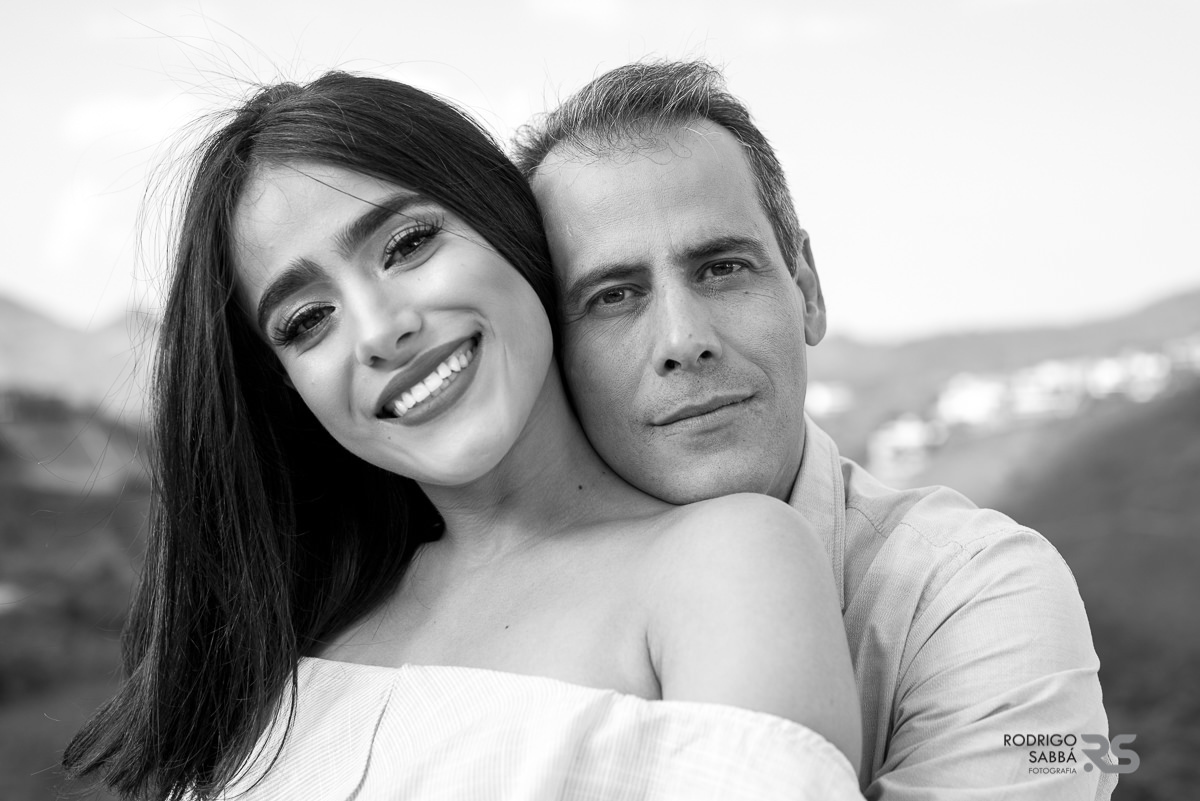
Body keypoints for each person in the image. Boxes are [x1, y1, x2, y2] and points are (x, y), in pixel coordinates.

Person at [63, 72, 864, 800]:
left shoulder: (726, 561)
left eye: (406, 245)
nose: (380, 330)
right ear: (288, 390)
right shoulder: (293, 635)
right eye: (307, 320)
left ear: (510, 229)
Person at [513, 60, 1115, 800]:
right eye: (613, 296)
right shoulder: (493, 606)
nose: (683, 339)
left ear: (807, 290)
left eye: (721, 268)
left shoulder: (978, 593)